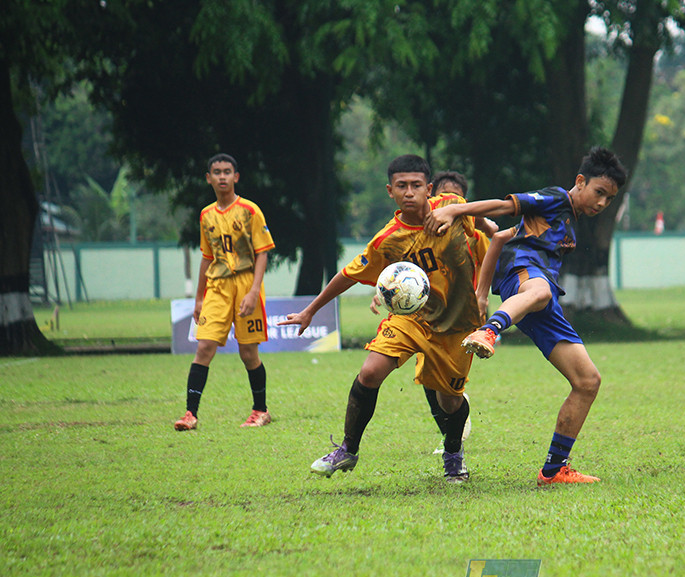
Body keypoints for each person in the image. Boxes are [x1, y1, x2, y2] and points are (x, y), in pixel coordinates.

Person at [425, 146, 628, 485]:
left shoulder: (568, 224)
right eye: (599, 193)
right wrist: (457, 211)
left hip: (540, 296)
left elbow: (501, 238)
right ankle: (489, 332)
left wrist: (480, 293)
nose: (602, 203)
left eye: (609, 199)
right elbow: (504, 208)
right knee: (541, 291)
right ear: (580, 181)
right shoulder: (553, 199)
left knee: (587, 381)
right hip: (526, 277)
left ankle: (554, 470)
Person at [280, 155, 482, 482]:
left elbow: (495, 211)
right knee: (370, 371)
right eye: (401, 186)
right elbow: (347, 274)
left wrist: (457, 210)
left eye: (417, 185)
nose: (409, 192)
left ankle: (453, 451)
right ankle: (347, 449)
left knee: (449, 400)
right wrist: (310, 309)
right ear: (390, 191)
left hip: (456, 323)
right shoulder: (388, 239)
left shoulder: (452, 204)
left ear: (429, 188)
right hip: (410, 319)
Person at [368, 171, 498, 456]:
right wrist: (382, 293)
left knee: (448, 394)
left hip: (460, 320)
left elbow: (488, 265)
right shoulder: (407, 233)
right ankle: (449, 439)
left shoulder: (471, 234)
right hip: (423, 317)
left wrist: (485, 310)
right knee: (426, 379)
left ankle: (453, 435)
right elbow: (401, 272)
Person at [174, 153, 275, 431]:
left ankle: (260, 411)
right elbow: (207, 257)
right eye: (216, 172)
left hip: (245, 284)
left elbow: (263, 252)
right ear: (208, 178)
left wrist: (254, 291)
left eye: (227, 171)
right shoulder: (206, 215)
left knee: (248, 353)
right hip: (217, 287)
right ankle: (190, 415)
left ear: (236, 177)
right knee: (204, 347)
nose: (221, 176)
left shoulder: (250, 211)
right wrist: (198, 297)